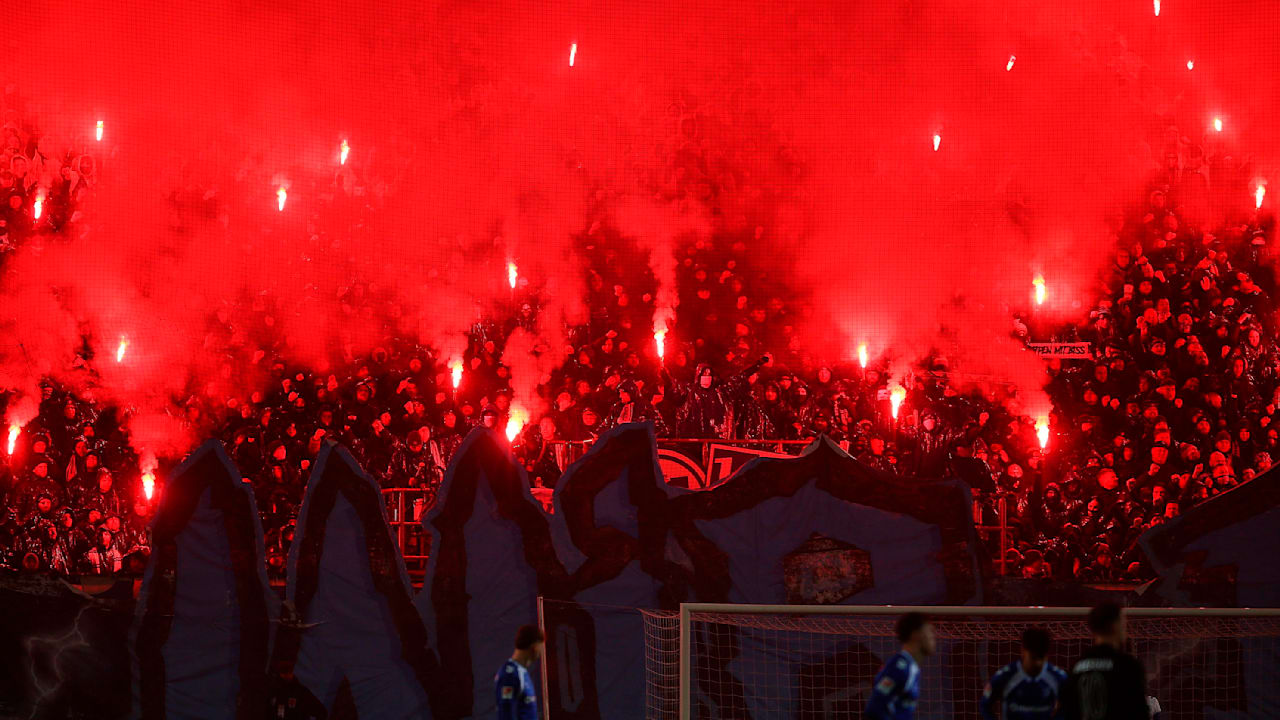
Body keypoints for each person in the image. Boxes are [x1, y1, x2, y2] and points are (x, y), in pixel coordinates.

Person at [1060, 603, 1148, 720]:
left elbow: (1070, 710)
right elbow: (1138, 711)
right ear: (1115, 625)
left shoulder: (1077, 666)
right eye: (1123, 622)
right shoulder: (1127, 665)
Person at [980, 627, 1068, 720]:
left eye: (1041, 657)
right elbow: (985, 706)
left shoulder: (1059, 677)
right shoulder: (1005, 676)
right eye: (1033, 657)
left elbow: (1069, 707)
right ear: (1023, 651)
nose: (1037, 663)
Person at [865, 612, 935, 720]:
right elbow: (874, 707)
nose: (933, 637)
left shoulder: (911, 667)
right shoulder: (900, 667)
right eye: (930, 631)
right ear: (915, 634)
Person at [495, 624, 543, 720]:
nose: (541, 652)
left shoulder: (522, 672)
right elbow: (506, 714)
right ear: (534, 646)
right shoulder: (509, 674)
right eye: (541, 646)